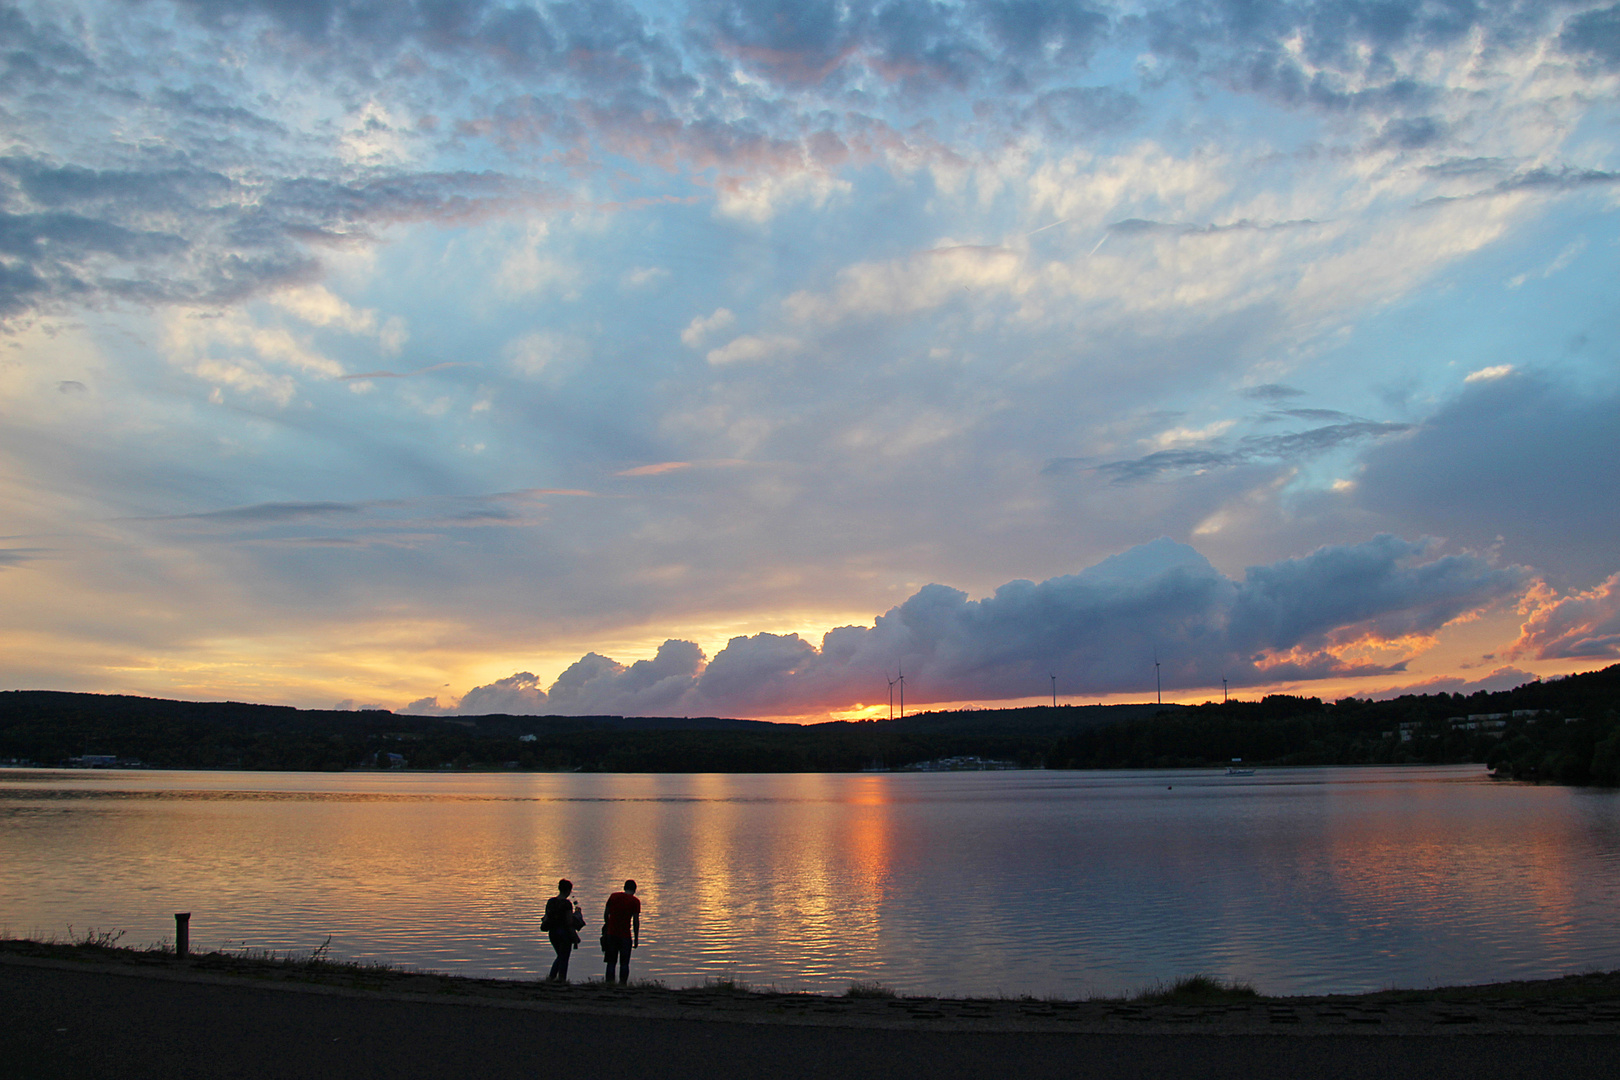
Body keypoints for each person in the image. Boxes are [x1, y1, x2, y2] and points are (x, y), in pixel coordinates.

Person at [544, 878, 584, 982]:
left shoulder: (551, 902)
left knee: (560, 956)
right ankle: (561, 979)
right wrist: (577, 915)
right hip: (564, 933)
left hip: (552, 933)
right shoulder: (567, 904)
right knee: (564, 958)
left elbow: (547, 916)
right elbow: (569, 921)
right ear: (568, 890)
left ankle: (551, 978)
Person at [601, 879, 641, 984]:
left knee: (611, 962)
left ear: (624, 887)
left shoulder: (613, 896)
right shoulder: (635, 901)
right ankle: (622, 984)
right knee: (624, 963)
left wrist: (608, 925)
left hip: (611, 934)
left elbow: (606, 914)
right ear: (635, 890)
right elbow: (635, 922)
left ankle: (609, 984)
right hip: (625, 936)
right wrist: (636, 938)